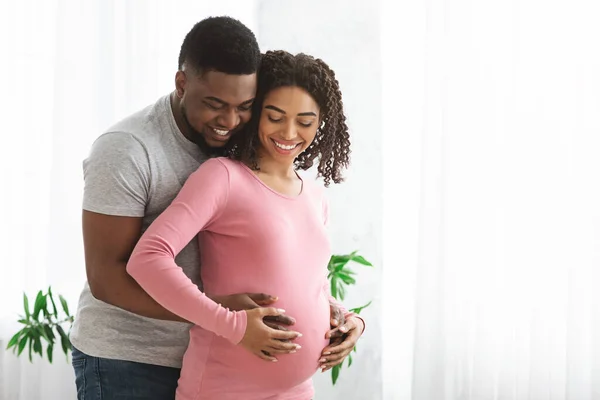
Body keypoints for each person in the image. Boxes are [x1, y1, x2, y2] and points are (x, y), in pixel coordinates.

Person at [70, 17, 361, 400]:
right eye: (215, 104)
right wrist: (223, 316)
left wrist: (343, 316)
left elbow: (291, 272)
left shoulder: (242, 151)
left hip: (213, 348)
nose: (229, 121)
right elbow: (108, 279)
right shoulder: (128, 150)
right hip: (130, 357)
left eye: (244, 107)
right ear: (182, 83)